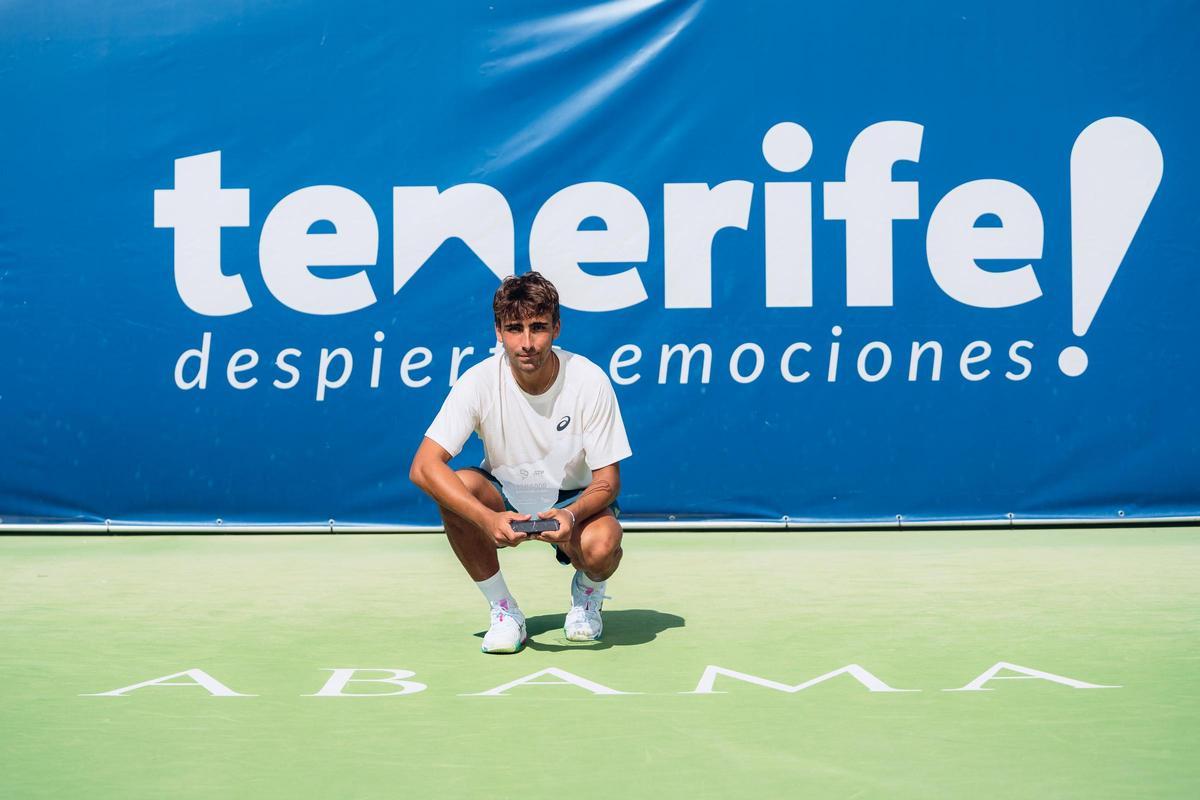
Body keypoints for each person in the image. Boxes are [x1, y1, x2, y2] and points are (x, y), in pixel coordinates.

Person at [409, 272, 632, 653]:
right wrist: (487, 519)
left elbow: (608, 481)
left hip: (573, 500)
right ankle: (504, 610)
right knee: (455, 488)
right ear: (498, 332)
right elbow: (423, 467)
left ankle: (587, 593)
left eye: (538, 328)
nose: (526, 343)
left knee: (602, 547)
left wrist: (572, 515)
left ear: (556, 328)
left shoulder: (589, 380)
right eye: (514, 329)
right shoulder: (478, 381)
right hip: (504, 495)